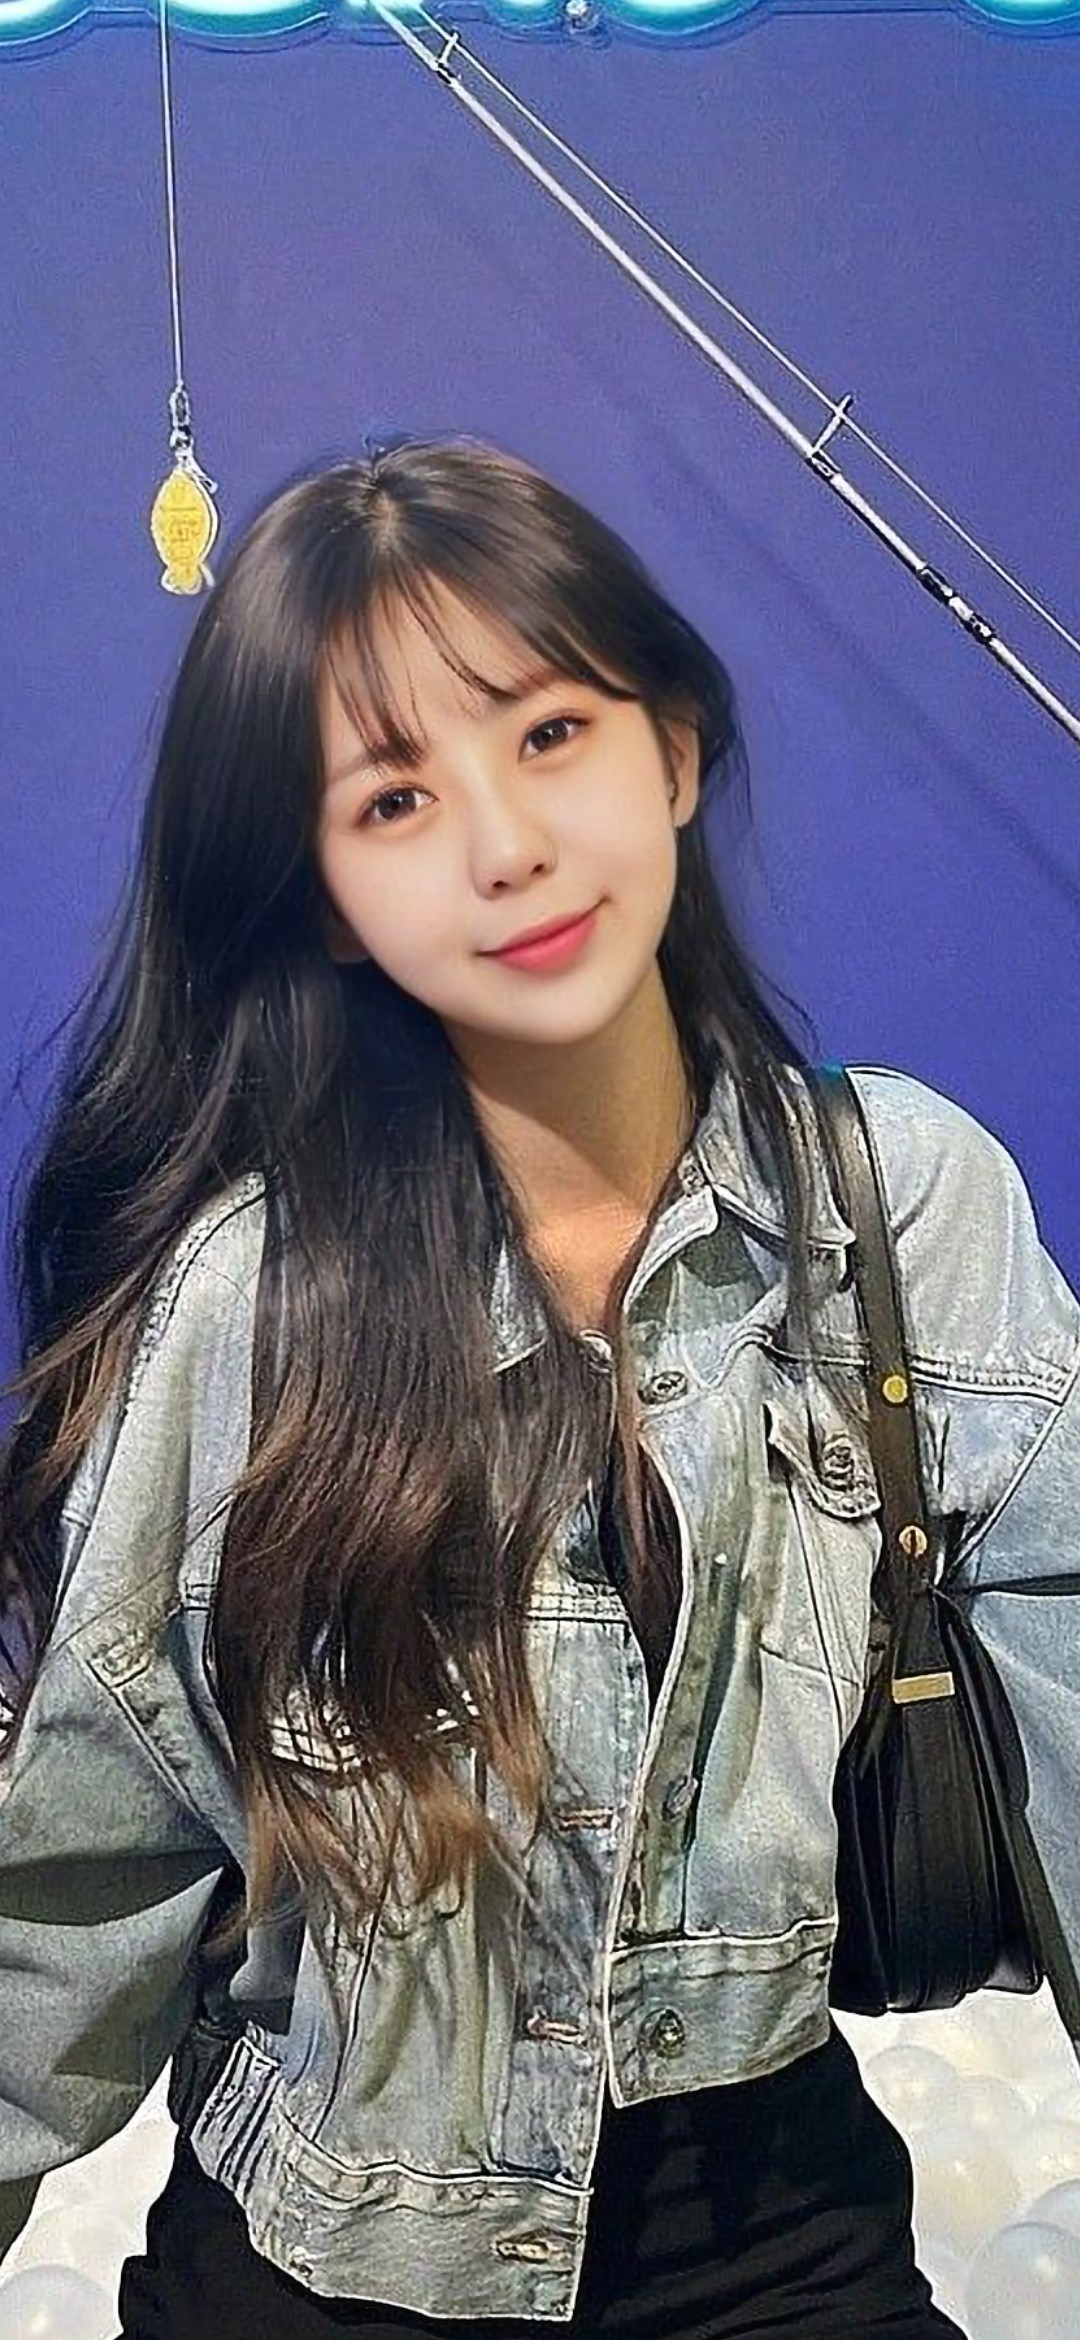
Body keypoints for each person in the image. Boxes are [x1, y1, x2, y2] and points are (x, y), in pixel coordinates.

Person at [1, 433, 1078, 2340]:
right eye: (396, 796)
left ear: (675, 747)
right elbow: (73, 1904)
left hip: (782, 2241)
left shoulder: (907, 1205)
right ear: (329, 897)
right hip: (324, 2265)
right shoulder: (250, 1301)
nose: (503, 844)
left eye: (552, 732)